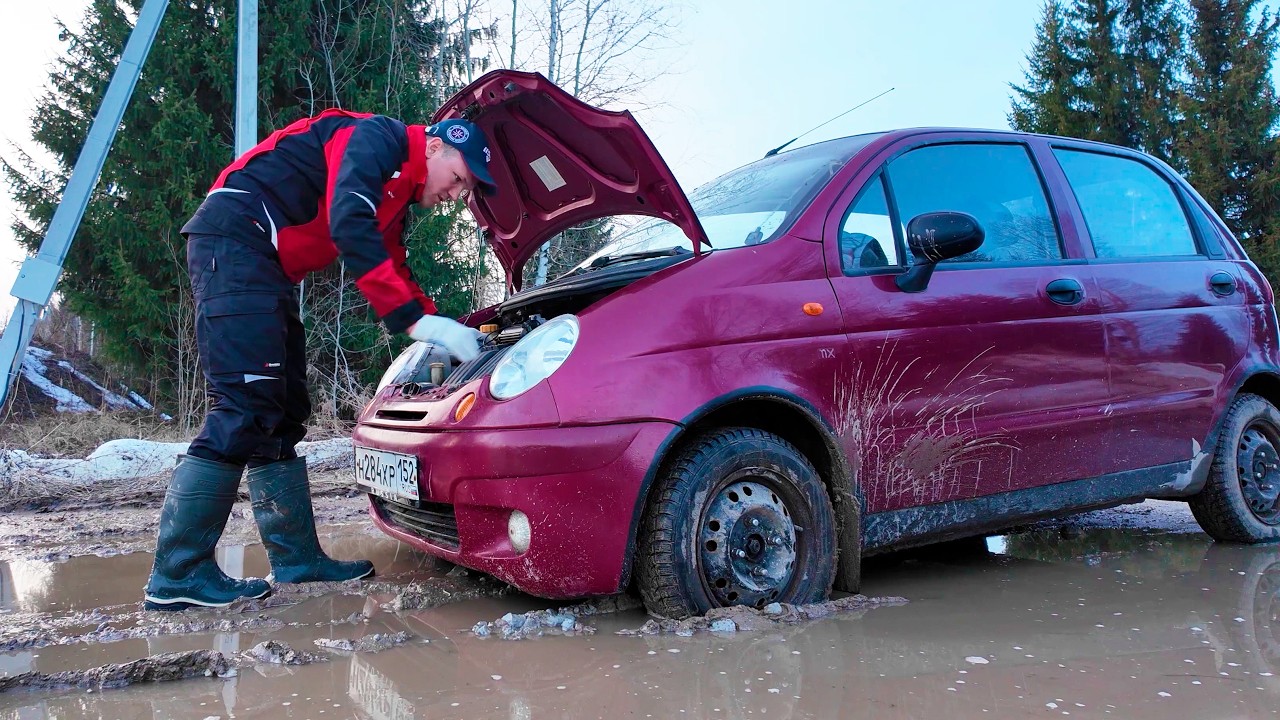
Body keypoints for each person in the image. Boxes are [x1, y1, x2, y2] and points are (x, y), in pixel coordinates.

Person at [143, 110, 497, 610]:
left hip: (267, 267)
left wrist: (438, 328)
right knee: (245, 404)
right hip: (236, 240)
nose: (457, 196)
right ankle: (176, 573)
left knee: (283, 410)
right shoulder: (376, 139)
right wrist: (415, 323)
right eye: (460, 180)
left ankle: (297, 561)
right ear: (435, 148)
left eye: (466, 191)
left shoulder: (394, 197)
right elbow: (347, 220)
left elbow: (390, 258)